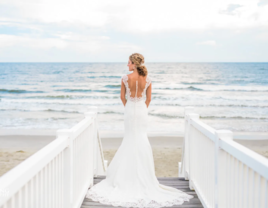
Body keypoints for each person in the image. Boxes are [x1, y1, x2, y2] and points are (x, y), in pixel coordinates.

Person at [86, 53, 194, 207]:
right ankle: (144, 177)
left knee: (129, 139)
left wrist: (130, 108)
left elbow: (122, 97)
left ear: (134, 64)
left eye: (129, 62)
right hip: (142, 111)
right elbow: (148, 99)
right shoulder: (148, 80)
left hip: (130, 110)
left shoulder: (125, 78)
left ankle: (127, 176)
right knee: (141, 140)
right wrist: (141, 109)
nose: (127, 65)